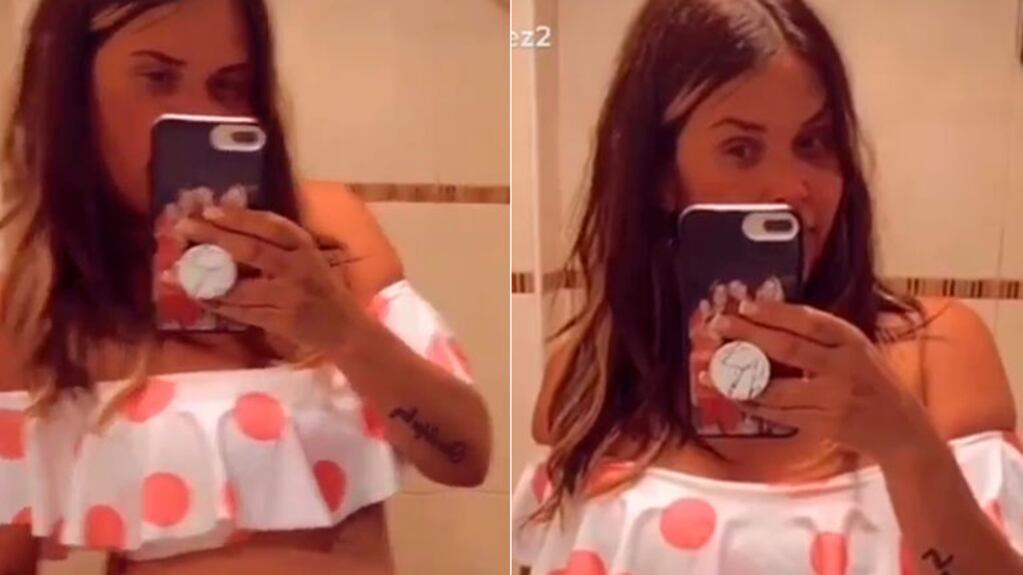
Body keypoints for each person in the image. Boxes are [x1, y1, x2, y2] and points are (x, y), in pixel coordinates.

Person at [516, 1, 1023, 573]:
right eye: (742, 149)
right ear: (661, 178)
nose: (790, 188)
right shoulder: (593, 384)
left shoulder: (938, 356)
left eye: (813, 143)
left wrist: (904, 444)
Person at [0, 1, 492, 574]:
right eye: (158, 77)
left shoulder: (328, 230)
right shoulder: (41, 308)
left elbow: (465, 458)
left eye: (229, 85)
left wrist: (341, 330)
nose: (200, 114)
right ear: (70, 93)